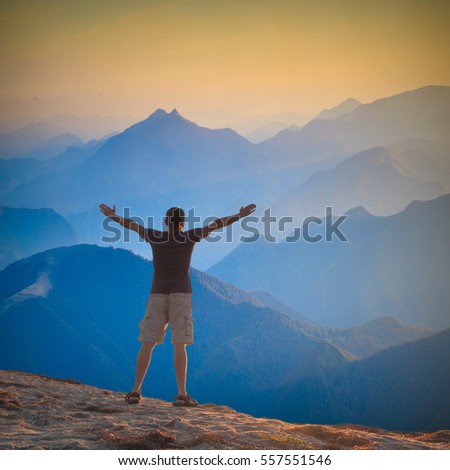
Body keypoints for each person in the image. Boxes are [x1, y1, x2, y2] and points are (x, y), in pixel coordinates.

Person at [99, 203, 256, 406]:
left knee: (147, 343)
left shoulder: (156, 237)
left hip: (157, 295)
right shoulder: (188, 237)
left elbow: (131, 225)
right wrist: (239, 215)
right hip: (181, 295)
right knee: (180, 344)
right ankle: (182, 395)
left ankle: (135, 391)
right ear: (182, 223)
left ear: (166, 222)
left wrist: (113, 216)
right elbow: (216, 225)